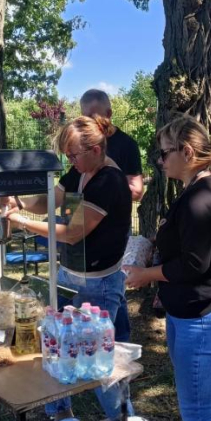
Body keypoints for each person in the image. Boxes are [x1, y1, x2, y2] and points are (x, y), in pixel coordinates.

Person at [6, 115, 134, 421]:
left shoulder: (109, 181)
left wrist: (22, 223)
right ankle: (60, 411)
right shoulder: (80, 172)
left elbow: (73, 232)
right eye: (67, 155)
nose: (70, 161)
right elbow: (52, 200)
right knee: (53, 343)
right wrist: (21, 204)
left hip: (99, 284)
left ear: (97, 148)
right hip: (69, 274)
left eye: (74, 154)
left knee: (99, 358)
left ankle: (121, 417)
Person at [123, 115, 211, 421]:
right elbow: (188, 244)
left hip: (203, 315)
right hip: (190, 312)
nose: (160, 161)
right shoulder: (194, 191)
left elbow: (193, 265)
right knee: (193, 404)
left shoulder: (198, 199)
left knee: (197, 411)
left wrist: (146, 275)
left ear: (186, 152)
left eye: (164, 153)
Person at [80, 89, 142, 342]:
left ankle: (119, 341)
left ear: (110, 114)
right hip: (87, 223)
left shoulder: (126, 145)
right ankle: (113, 339)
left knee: (113, 283)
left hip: (114, 228)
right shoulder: (82, 142)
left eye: (97, 118)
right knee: (105, 289)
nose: (92, 123)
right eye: (86, 117)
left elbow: (137, 191)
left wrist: (108, 183)